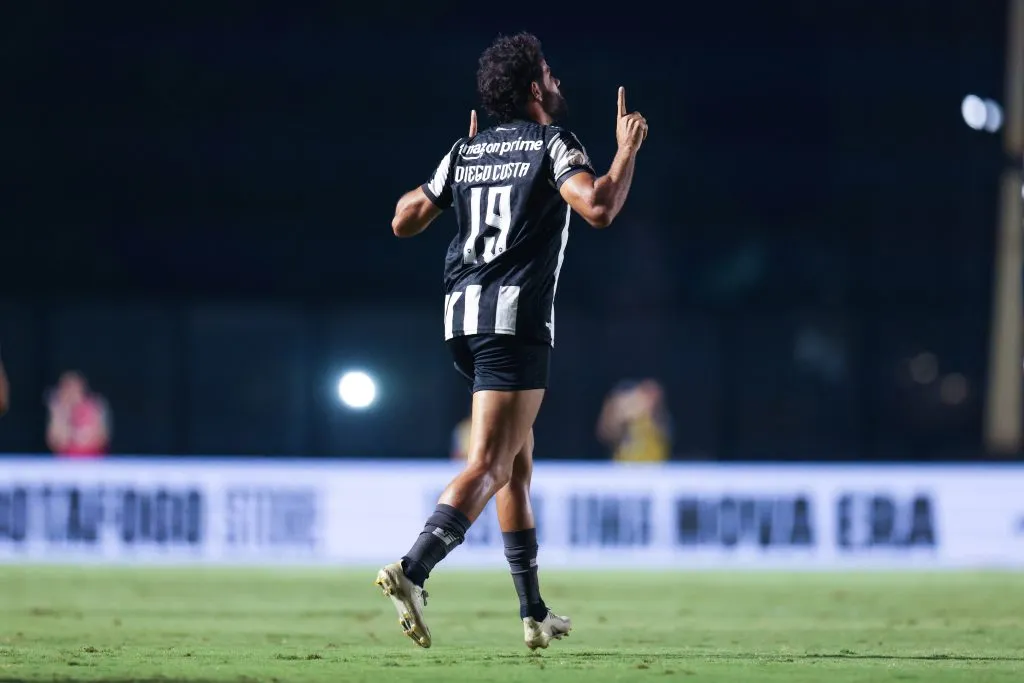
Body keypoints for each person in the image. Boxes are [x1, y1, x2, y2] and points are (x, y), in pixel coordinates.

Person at [376, 32, 648, 650]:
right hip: (513, 321)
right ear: (534, 88)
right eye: (549, 72)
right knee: (492, 464)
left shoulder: (466, 152)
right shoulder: (554, 143)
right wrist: (625, 151)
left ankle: (533, 612)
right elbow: (599, 207)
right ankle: (412, 570)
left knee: (516, 468)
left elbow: (402, 219)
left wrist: (459, 166)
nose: (557, 81)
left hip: (461, 321)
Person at [596, 379, 672, 462]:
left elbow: (665, 436)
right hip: (624, 466)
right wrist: (620, 417)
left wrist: (651, 413)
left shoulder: (659, 416)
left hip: (655, 467)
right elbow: (606, 435)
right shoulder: (623, 416)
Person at [45, 371, 110, 458]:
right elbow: (56, 442)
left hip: (94, 460)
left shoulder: (95, 406)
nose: (70, 392)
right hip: (65, 463)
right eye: (66, 388)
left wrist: (78, 436)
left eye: (74, 387)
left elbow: (101, 438)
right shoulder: (60, 410)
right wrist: (62, 415)